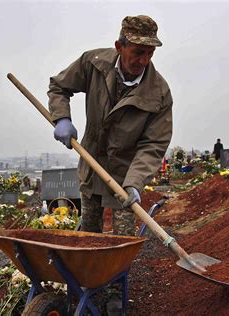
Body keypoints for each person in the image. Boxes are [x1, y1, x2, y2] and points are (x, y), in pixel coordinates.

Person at [48, 15, 173, 236]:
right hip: (91, 164)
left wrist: (135, 182)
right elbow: (59, 86)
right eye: (138, 52)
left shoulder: (158, 93)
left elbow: (153, 145)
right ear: (119, 47)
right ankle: (86, 269)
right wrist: (61, 118)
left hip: (125, 174)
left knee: (122, 239)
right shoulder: (93, 63)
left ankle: (118, 271)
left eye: (150, 53)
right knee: (88, 233)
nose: (144, 61)